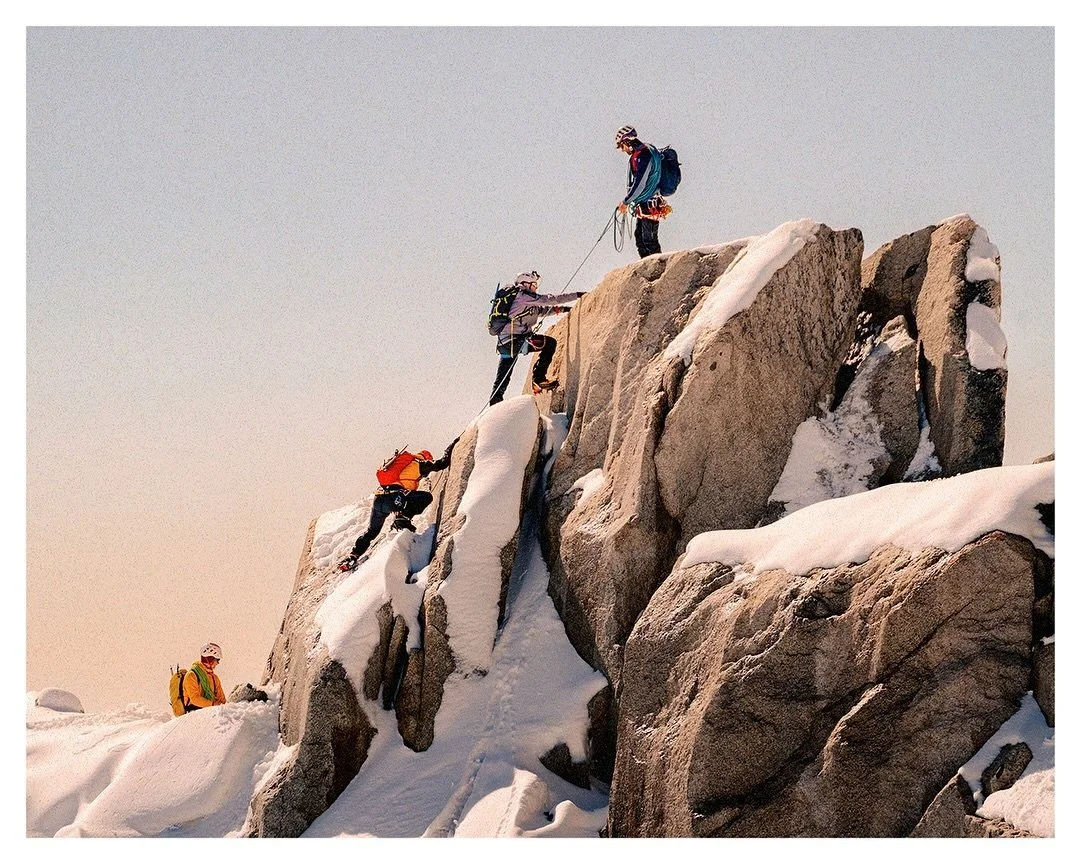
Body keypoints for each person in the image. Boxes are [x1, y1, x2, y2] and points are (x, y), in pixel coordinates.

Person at [337, 440, 457, 572]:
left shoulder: (403, 466)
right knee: (426, 497)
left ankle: (353, 555)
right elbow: (442, 463)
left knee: (372, 531)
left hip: (379, 500)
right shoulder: (420, 463)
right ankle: (402, 519)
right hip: (393, 499)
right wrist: (452, 446)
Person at [488, 270, 584, 405]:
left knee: (502, 378)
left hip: (506, 344)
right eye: (533, 284)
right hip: (515, 341)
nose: (535, 287)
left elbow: (540, 311)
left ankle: (495, 403)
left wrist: (565, 310)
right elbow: (550, 300)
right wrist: (578, 295)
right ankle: (538, 379)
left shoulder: (522, 300)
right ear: (525, 284)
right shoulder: (522, 296)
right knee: (550, 343)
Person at [615, 125, 673, 258]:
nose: (623, 150)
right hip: (645, 203)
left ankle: (658, 270)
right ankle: (649, 269)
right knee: (640, 238)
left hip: (650, 203)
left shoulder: (644, 154)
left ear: (626, 141)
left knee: (649, 241)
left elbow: (640, 183)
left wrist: (626, 201)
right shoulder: (646, 151)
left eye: (621, 146)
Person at [182, 642, 227, 712]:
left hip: (212, 714)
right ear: (210, 659)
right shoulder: (191, 676)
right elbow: (194, 699)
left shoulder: (215, 678)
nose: (218, 663)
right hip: (193, 716)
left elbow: (222, 700)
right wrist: (213, 704)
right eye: (217, 660)